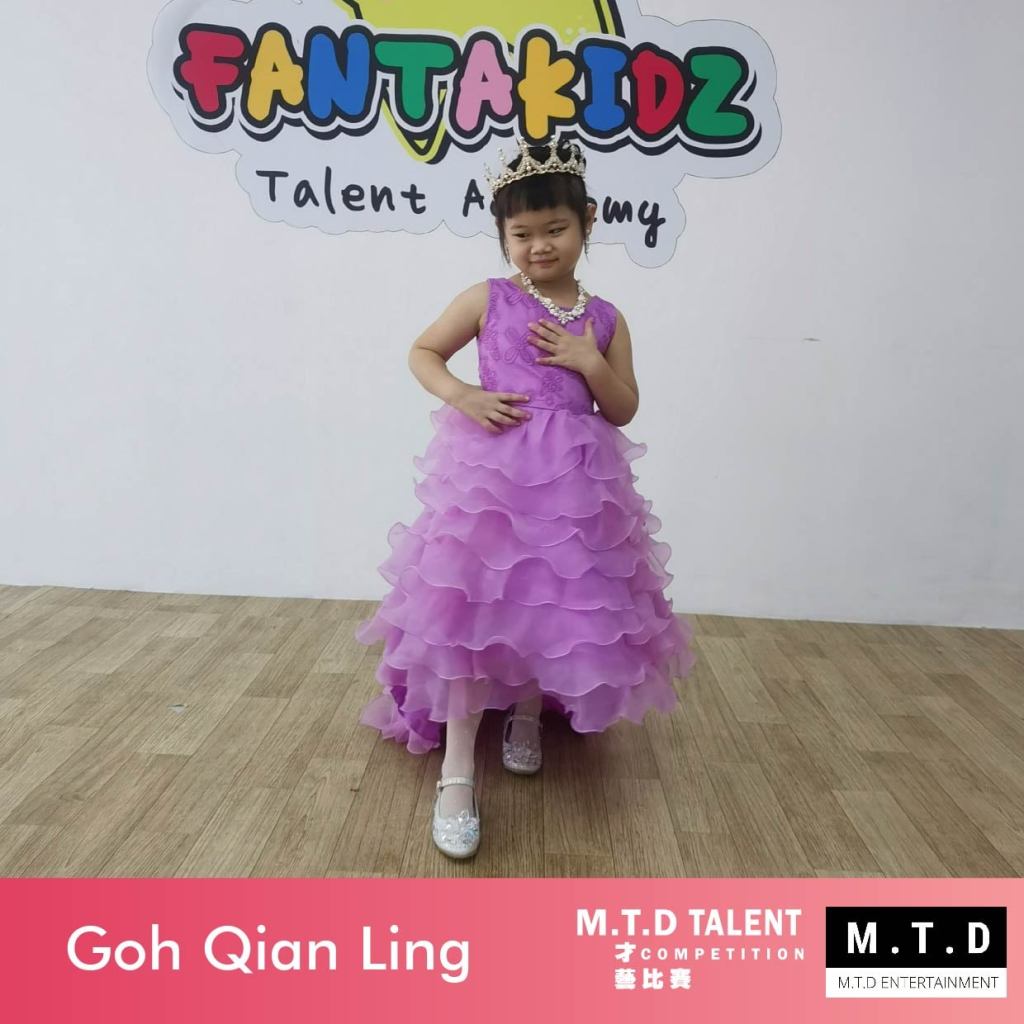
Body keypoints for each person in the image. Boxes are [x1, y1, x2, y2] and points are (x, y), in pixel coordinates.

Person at [354, 134, 695, 859]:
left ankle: (529, 715)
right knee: (473, 606)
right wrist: (464, 395)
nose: (540, 246)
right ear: (503, 235)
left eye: (556, 229)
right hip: (493, 482)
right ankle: (456, 772)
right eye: (522, 233)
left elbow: (624, 408)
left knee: (550, 601)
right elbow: (423, 351)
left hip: (575, 486)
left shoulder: (606, 318)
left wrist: (589, 362)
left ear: (588, 222)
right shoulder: (489, 298)